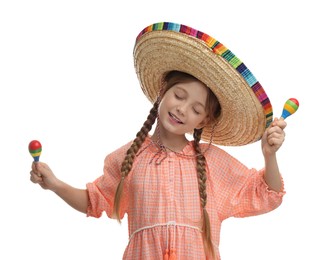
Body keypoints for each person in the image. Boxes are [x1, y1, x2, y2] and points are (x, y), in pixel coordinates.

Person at [30, 22, 287, 260]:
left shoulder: (212, 162)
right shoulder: (126, 157)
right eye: (179, 95)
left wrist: (269, 155)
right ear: (163, 91)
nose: (183, 109)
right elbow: (95, 201)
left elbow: (267, 194)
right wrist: (54, 184)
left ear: (203, 121)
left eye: (197, 110)